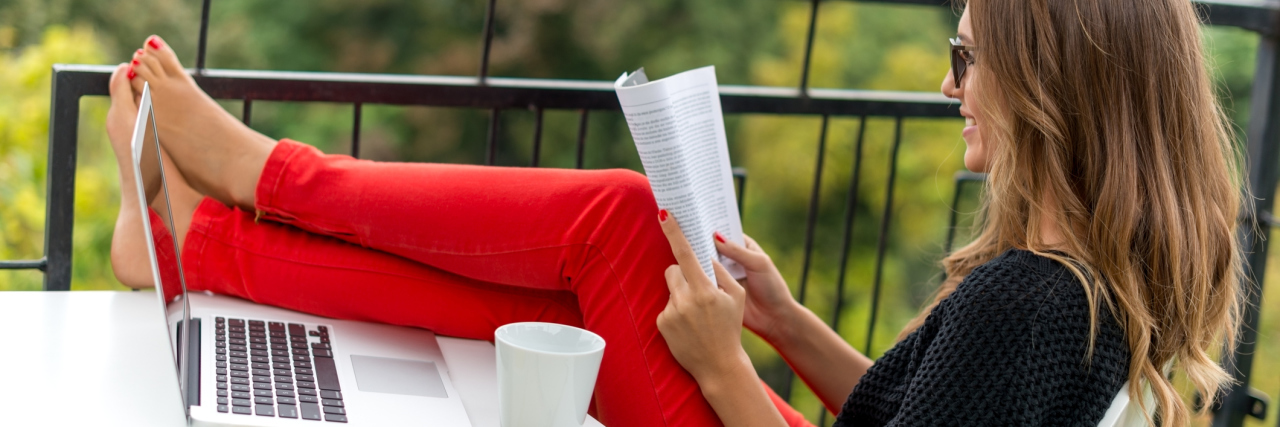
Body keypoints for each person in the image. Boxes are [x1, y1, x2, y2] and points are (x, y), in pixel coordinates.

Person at [104, 0, 1243, 425]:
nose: (950, 85)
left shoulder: (1030, 301)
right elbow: (913, 416)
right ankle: (200, 244)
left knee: (612, 221)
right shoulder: (1068, 290)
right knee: (580, 288)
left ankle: (263, 178)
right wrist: (785, 321)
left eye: (967, 57)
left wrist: (722, 366)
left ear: (1051, 89)